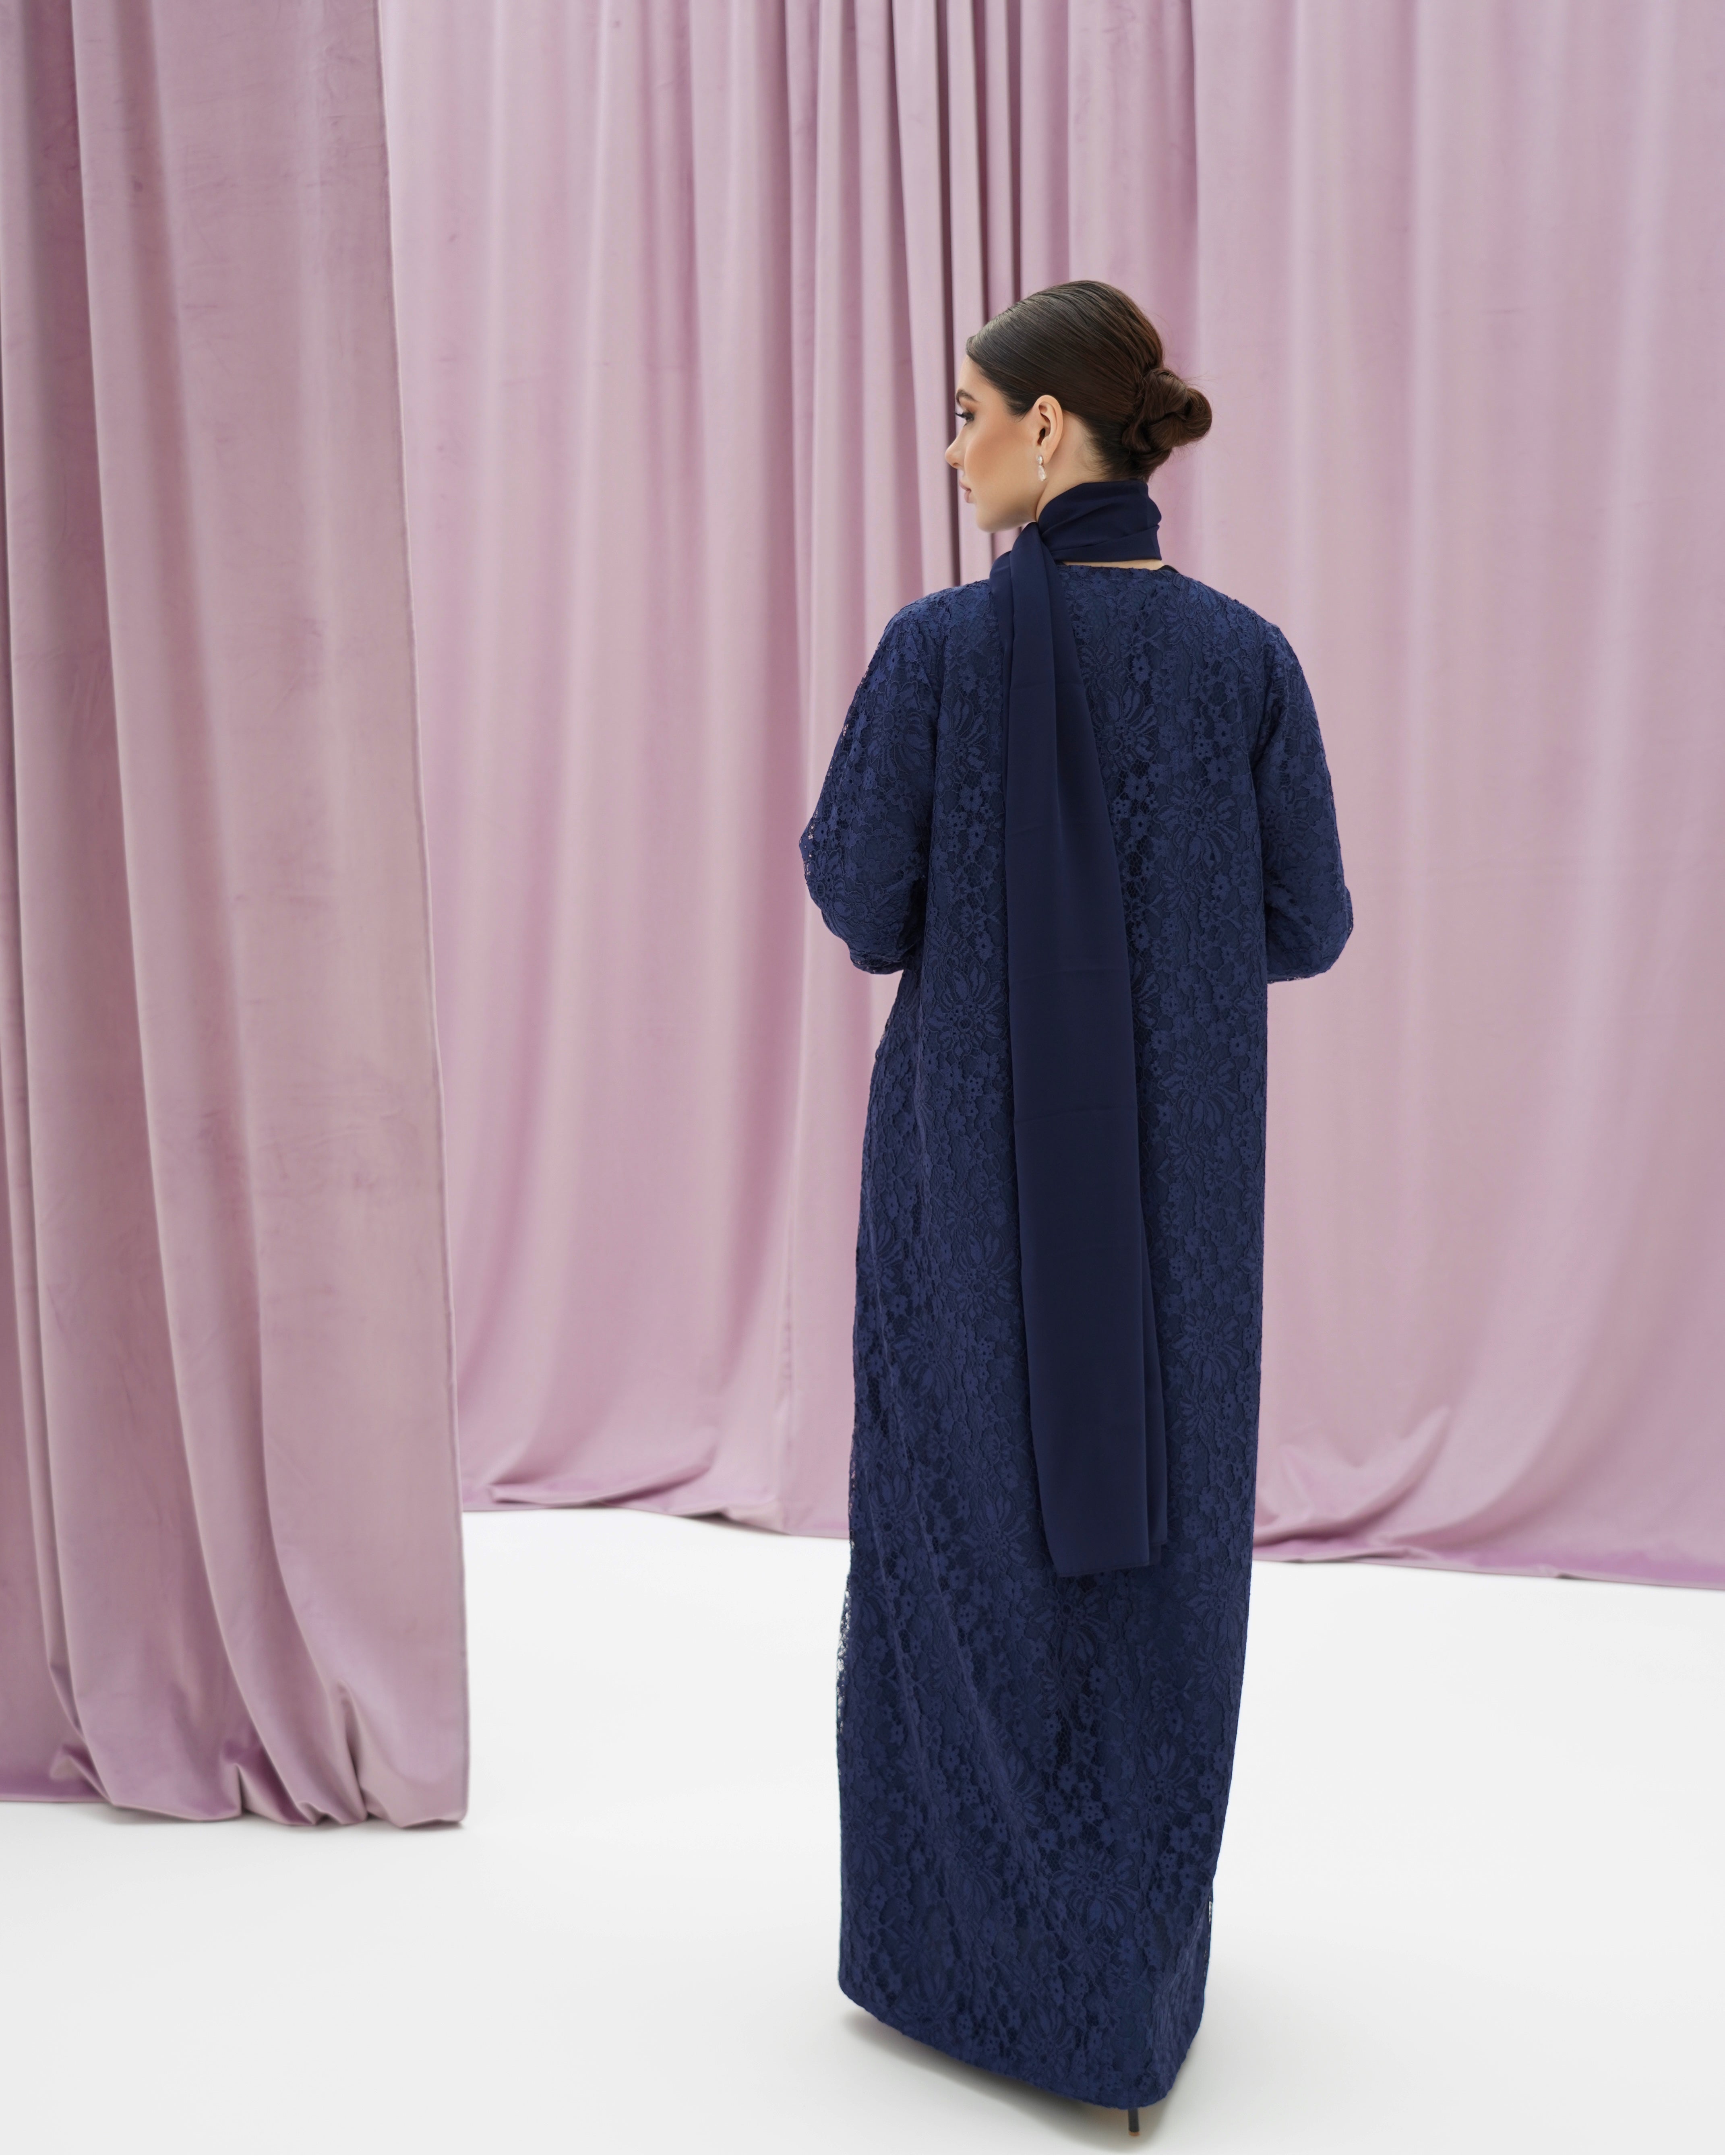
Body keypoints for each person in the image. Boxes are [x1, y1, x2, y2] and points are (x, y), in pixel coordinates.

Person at [799, 280, 1352, 2129]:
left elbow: (861, 899)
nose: (952, 449)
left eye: (968, 414)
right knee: (1158, 1554)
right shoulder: (1247, 660)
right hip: (1181, 1205)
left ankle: (963, 1971)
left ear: (1051, 429)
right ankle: (1123, 1988)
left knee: (961, 1534)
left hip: (964, 1189)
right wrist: (1159, 949)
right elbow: (1309, 923)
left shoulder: (938, 653)